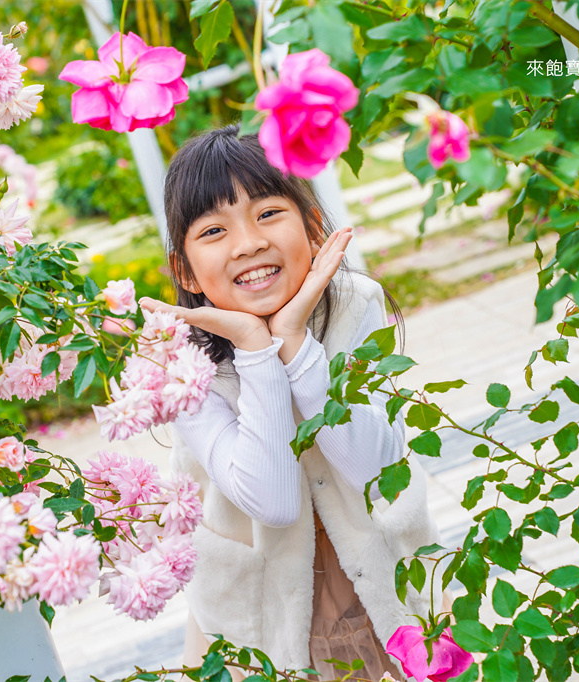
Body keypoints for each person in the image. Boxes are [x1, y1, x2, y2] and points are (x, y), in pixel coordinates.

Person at [140, 126, 441, 681]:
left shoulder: (353, 304)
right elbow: (271, 500)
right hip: (259, 612)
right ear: (184, 270)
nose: (248, 242)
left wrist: (297, 345)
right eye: (213, 229)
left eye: (267, 213)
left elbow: (373, 469)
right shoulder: (176, 359)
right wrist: (257, 351)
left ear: (314, 227)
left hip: (388, 583)